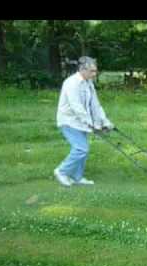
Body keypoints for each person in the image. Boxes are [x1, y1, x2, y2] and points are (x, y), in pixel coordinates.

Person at [54, 56, 114, 187]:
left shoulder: (88, 83)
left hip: (81, 122)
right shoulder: (71, 83)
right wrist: (92, 125)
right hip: (69, 121)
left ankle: (77, 177)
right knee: (81, 149)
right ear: (82, 69)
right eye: (92, 71)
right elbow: (77, 108)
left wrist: (105, 121)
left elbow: (95, 105)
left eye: (95, 71)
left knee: (82, 150)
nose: (94, 74)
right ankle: (61, 171)